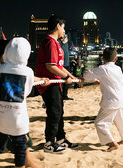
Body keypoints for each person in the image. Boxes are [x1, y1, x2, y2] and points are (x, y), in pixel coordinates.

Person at [0, 38, 50, 168]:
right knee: (20, 148)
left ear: (7, 52)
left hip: (0, 119)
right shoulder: (28, 72)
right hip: (19, 120)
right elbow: (26, 92)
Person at [35, 15, 79, 153]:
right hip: (48, 83)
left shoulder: (56, 43)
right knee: (54, 112)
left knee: (59, 111)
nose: (64, 31)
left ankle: (61, 139)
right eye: (63, 28)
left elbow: (59, 66)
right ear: (58, 26)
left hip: (56, 82)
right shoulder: (50, 42)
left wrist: (73, 77)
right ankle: (49, 142)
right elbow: (50, 66)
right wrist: (66, 77)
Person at [83, 47, 123, 152]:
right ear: (115, 59)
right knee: (120, 119)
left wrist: (93, 78)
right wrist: (99, 78)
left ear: (103, 58)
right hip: (121, 98)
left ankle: (112, 143)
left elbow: (86, 75)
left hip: (111, 101)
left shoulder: (102, 69)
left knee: (100, 123)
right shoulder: (118, 68)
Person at [58, 35, 73, 100]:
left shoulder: (66, 42)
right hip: (60, 64)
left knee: (67, 82)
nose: (64, 36)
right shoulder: (57, 41)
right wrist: (62, 43)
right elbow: (57, 49)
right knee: (60, 82)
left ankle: (65, 95)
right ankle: (59, 96)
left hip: (67, 63)